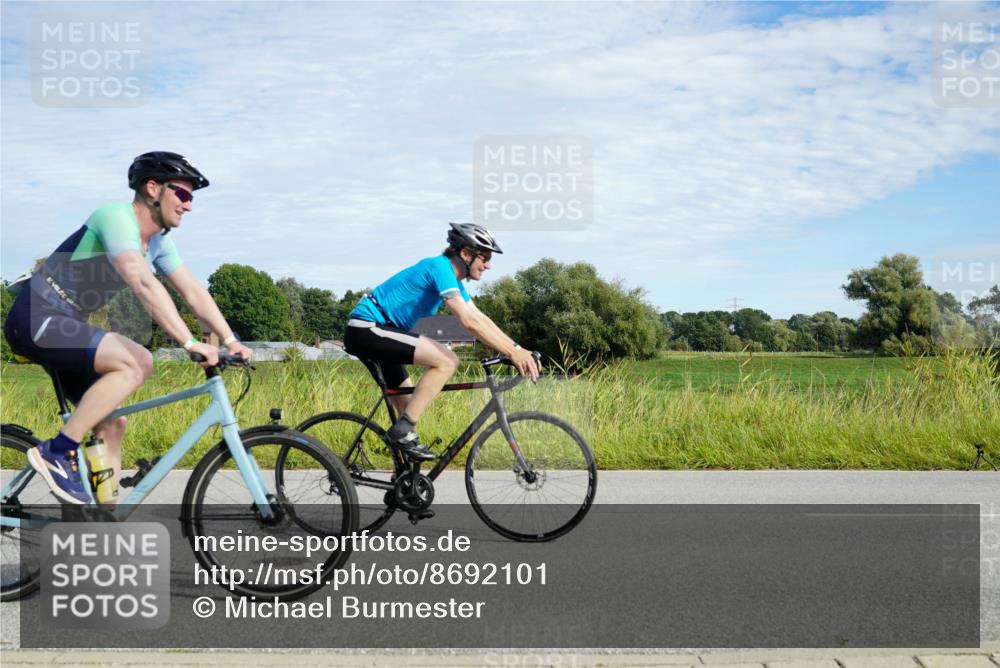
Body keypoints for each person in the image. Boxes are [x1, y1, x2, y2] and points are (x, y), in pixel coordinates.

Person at [3, 152, 252, 504]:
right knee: (137, 361)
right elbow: (142, 282)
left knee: (112, 424)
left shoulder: (160, 244)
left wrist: (229, 339)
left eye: (191, 198)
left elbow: (194, 293)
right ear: (153, 188)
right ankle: (56, 453)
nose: (188, 206)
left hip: (66, 324)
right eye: (182, 194)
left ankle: (99, 517)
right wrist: (190, 341)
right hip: (36, 318)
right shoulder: (115, 218)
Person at [344, 222, 541, 461]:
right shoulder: (440, 268)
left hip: (385, 332)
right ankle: (400, 433)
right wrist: (512, 353)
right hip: (368, 328)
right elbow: (468, 321)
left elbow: (480, 318)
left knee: (409, 414)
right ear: (466, 254)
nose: (488, 265)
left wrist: (517, 348)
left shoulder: (454, 280)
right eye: (485, 257)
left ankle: (404, 486)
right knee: (447, 360)